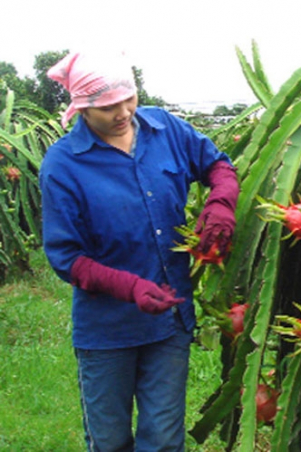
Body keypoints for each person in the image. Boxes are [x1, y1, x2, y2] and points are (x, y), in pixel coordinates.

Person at [39, 51, 239, 451]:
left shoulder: (165, 128)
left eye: (127, 98)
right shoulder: (62, 165)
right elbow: (66, 258)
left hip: (170, 321)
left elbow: (218, 165)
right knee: (109, 441)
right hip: (106, 329)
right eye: (106, 106)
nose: (122, 112)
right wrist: (128, 287)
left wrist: (221, 203)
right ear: (80, 108)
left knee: (164, 439)